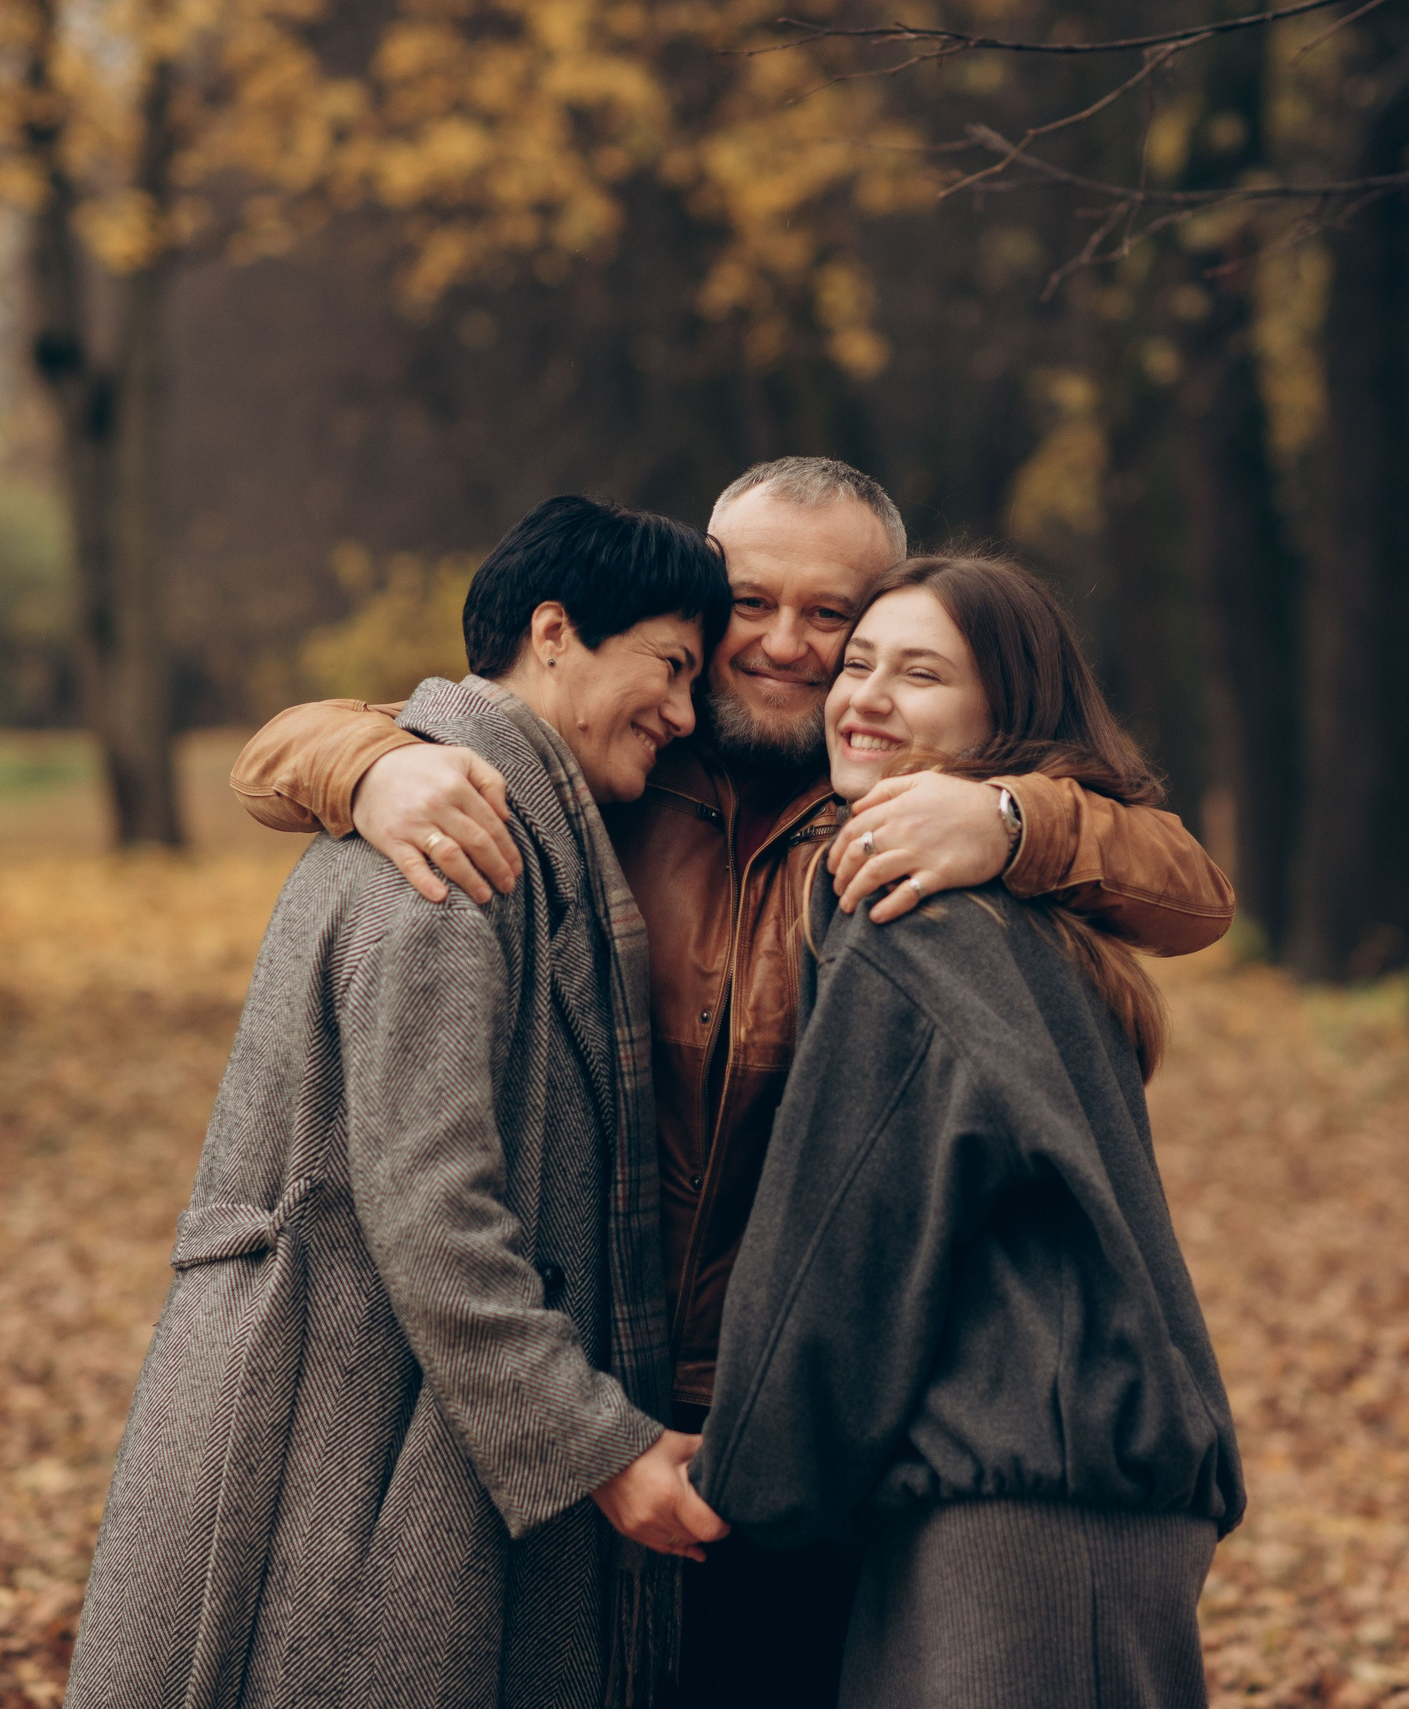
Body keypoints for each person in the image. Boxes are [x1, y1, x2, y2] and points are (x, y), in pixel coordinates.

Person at [227, 457, 1234, 1706]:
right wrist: (373, 763)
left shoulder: (900, 809)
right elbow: (276, 756)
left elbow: (1187, 894)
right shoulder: (609, 762)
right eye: (751, 601)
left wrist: (1017, 820)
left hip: (830, 1401)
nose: (786, 645)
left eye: (834, 616)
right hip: (595, 1382)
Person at [64, 496, 731, 1709]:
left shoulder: (497, 815)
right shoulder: (454, 861)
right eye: (671, 667)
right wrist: (601, 1447)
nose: (684, 713)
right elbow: (432, 1215)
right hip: (347, 1439)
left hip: (387, 1421)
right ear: (554, 630)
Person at [694, 553, 1244, 1709]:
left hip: (1019, 1512)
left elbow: (847, 1234)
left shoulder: (918, 913)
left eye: (919, 672)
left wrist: (744, 1483)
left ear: (1005, 716)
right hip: (1052, 1482)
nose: (862, 695)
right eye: (859, 667)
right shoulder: (1019, 909)